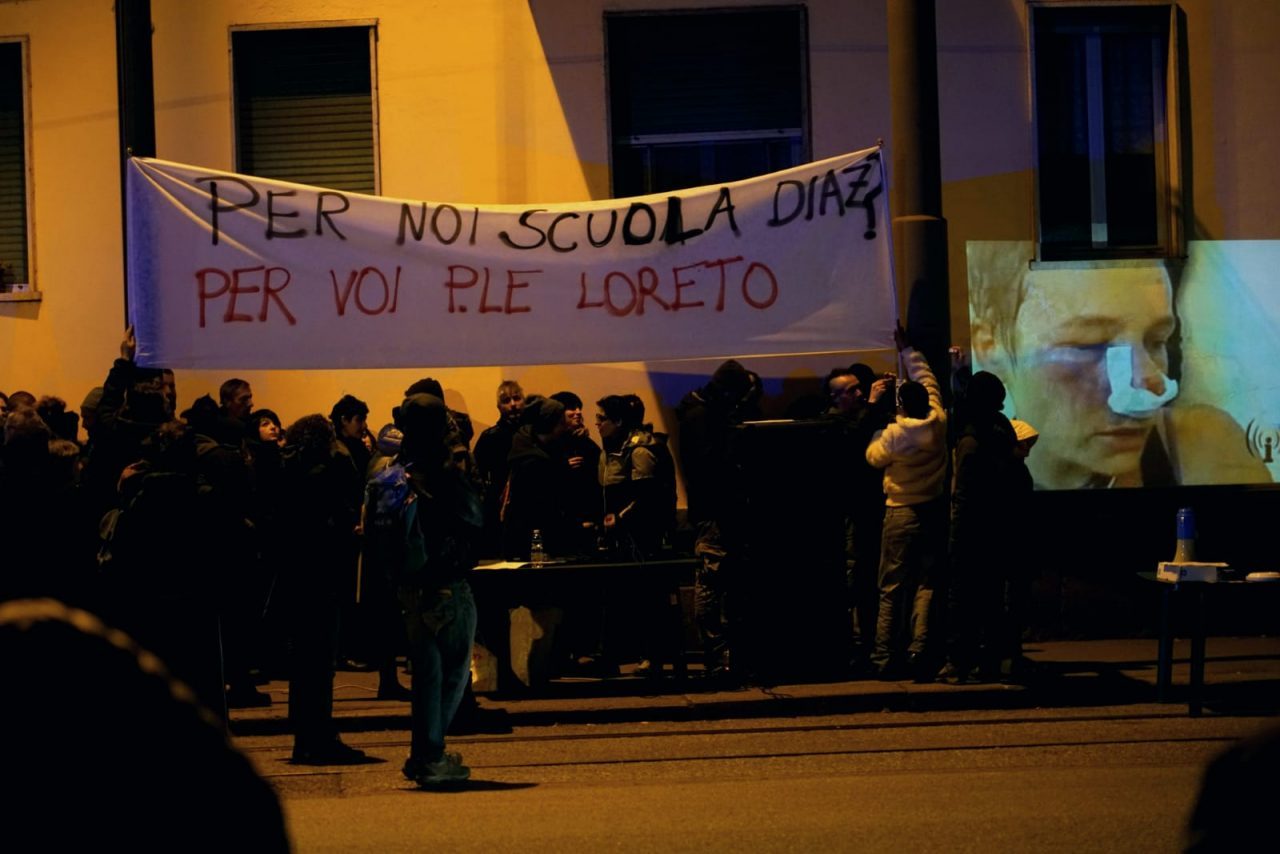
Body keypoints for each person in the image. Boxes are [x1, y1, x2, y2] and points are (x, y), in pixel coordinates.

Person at [968, 248, 1270, 488]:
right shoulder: (975, 468)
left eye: (1157, 341)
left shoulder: (1207, 452)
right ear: (991, 349)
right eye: (1089, 345)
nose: (1148, 381)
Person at [390, 393, 483, 786]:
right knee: (452, 674)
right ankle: (431, 755)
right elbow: (474, 517)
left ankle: (423, 754)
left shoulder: (395, 468)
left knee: (426, 675)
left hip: (409, 584)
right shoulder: (442, 469)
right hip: (445, 581)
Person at [865, 323, 948, 680]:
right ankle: (920, 650)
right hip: (933, 508)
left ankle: (884, 656)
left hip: (900, 511)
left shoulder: (894, 435)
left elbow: (873, 458)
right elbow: (928, 380)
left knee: (892, 586)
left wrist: (879, 429)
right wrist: (908, 351)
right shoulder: (939, 420)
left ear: (900, 405)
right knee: (927, 583)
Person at [676, 359, 763, 682]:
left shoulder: (696, 412)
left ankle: (719, 655)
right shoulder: (706, 418)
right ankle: (719, 655)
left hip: (711, 509)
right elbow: (714, 465)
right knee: (712, 582)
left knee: (713, 580)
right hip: (718, 510)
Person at [823, 363, 893, 674]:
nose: (860, 393)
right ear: (836, 397)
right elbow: (853, 441)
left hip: (868, 511)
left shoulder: (860, 417)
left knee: (869, 578)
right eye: (851, 390)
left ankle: (869, 642)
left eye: (859, 387)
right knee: (856, 579)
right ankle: (855, 646)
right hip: (851, 514)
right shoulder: (832, 424)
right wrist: (874, 405)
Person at [472, 380, 525, 555]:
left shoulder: (534, 433)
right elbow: (476, 474)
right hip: (499, 505)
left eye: (516, 398)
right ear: (498, 406)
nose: (513, 404)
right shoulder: (489, 438)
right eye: (506, 400)